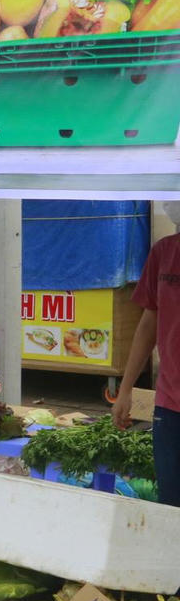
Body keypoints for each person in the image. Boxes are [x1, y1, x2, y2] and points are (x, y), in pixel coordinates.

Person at [113, 201, 180, 506]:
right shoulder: (163, 252)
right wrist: (126, 389)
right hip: (169, 404)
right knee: (171, 502)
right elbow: (148, 323)